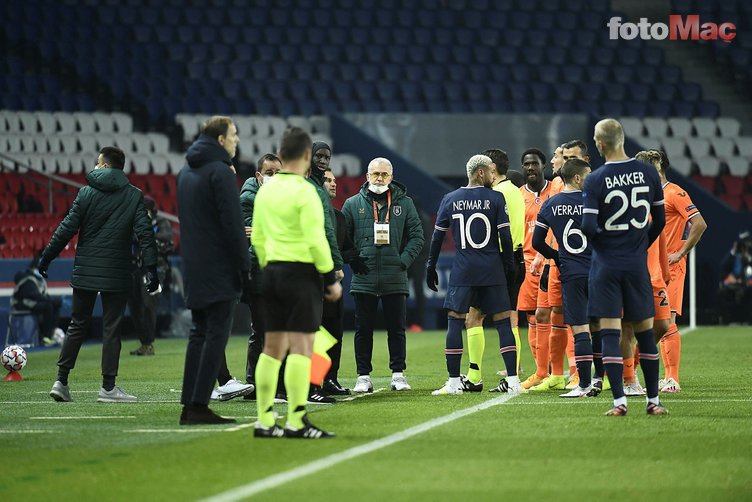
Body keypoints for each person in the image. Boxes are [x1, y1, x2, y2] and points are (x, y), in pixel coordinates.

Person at [42, 146, 159, 403]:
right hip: (117, 272)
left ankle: (61, 381)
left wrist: (46, 257)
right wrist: (151, 268)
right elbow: (145, 234)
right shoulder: (134, 195)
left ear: (105, 166)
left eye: (97, 162)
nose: (95, 165)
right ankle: (108, 388)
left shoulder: (85, 193)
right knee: (111, 329)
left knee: (77, 324)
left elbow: (66, 229)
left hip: (85, 269)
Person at [251, 126, 342, 439]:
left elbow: (258, 239)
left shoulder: (266, 189)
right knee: (302, 348)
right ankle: (296, 421)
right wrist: (330, 277)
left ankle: (264, 421)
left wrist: (268, 267)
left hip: (270, 273)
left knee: (271, 348)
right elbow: (317, 240)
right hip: (300, 275)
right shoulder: (307, 191)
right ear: (306, 155)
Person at [581, 118, 667, 416]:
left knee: (609, 333)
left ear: (600, 143)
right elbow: (661, 221)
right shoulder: (647, 173)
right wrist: (639, 244)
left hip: (606, 264)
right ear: (623, 138)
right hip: (635, 263)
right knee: (644, 331)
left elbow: (588, 226)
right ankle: (653, 401)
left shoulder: (595, 179)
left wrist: (608, 245)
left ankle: (619, 403)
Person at [177, 116, 251, 425]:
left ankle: (190, 403)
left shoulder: (185, 171)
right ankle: (197, 405)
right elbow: (233, 227)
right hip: (218, 267)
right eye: (233, 135)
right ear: (221, 140)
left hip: (194, 266)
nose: (236, 141)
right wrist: (244, 267)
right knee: (215, 336)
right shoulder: (220, 172)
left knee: (199, 333)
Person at [426, 154, 520, 396]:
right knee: (502, 322)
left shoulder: (450, 198)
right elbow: (506, 238)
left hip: (464, 269)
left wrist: (430, 266)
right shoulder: (496, 198)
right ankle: (512, 381)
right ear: (480, 172)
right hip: (492, 268)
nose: (493, 175)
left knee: (455, 321)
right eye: (490, 171)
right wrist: (509, 267)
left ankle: (455, 382)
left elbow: (437, 237)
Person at [342, 157, 425, 393]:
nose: (380, 178)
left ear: (392, 177)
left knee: (396, 329)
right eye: (375, 174)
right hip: (364, 277)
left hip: (394, 276)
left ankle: (398, 374)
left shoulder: (405, 204)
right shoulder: (351, 204)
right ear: (367, 176)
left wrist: (403, 261)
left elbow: (418, 237)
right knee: (363, 329)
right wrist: (353, 259)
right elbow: (343, 239)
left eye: (384, 175)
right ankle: (363, 376)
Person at [532, 158, 603, 398]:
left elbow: (536, 242)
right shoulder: (596, 202)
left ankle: (583, 385)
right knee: (600, 326)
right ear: (577, 178)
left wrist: (558, 257)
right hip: (598, 272)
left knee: (580, 328)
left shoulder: (551, 204)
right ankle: (598, 380)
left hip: (571, 273)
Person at [462, 148, 525, 391]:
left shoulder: (496, 194)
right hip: (517, 259)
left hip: (497, 260)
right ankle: (513, 375)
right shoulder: (515, 191)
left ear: (491, 169)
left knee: (474, 317)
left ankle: (474, 376)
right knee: (509, 317)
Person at [650, 149, 707, 392]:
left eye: (648, 164)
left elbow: (700, 223)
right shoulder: (645, 195)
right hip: (647, 265)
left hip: (670, 266)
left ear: (660, 164)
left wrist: (681, 252)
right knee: (645, 322)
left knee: (667, 320)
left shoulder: (674, 193)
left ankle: (672, 378)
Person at [322, 166, 369, 396]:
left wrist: (356, 259)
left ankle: (329, 379)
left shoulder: (338, 216)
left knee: (334, 333)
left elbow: (346, 247)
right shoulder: (315, 213)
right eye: (327, 180)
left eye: (334, 180)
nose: (333, 184)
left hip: (335, 283)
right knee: (315, 336)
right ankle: (312, 382)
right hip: (316, 281)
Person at [515, 148, 554, 391]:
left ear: (544, 166)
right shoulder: (518, 196)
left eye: (535, 164)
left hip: (553, 260)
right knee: (532, 316)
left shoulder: (557, 189)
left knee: (556, 315)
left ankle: (562, 369)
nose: (530, 168)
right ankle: (543, 369)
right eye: (527, 164)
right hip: (527, 263)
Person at [129, 197, 174, 356]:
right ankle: (145, 342)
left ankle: (148, 343)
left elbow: (168, 237)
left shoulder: (160, 222)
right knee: (134, 305)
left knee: (148, 303)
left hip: (156, 267)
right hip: (135, 268)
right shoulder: (133, 223)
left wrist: (147, 234)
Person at [10, 255, 62, 345]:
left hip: (32, 303)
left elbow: (43, 295)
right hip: (21, 303)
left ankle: (53, 331)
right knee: (48, 306)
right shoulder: (28, 279)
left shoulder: (40, 280)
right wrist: (50, 300)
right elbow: (35, 296)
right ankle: (46, 336)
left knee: (55, 304)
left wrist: (53, 300)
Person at [718, 231, 752, 324]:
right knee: (723, 292)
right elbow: (723, 267)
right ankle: (726, 321)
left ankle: (748, 321)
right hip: (734, 283)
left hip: (747, 283)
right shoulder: (733, 256)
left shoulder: (750, 256)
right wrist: (733, 251)